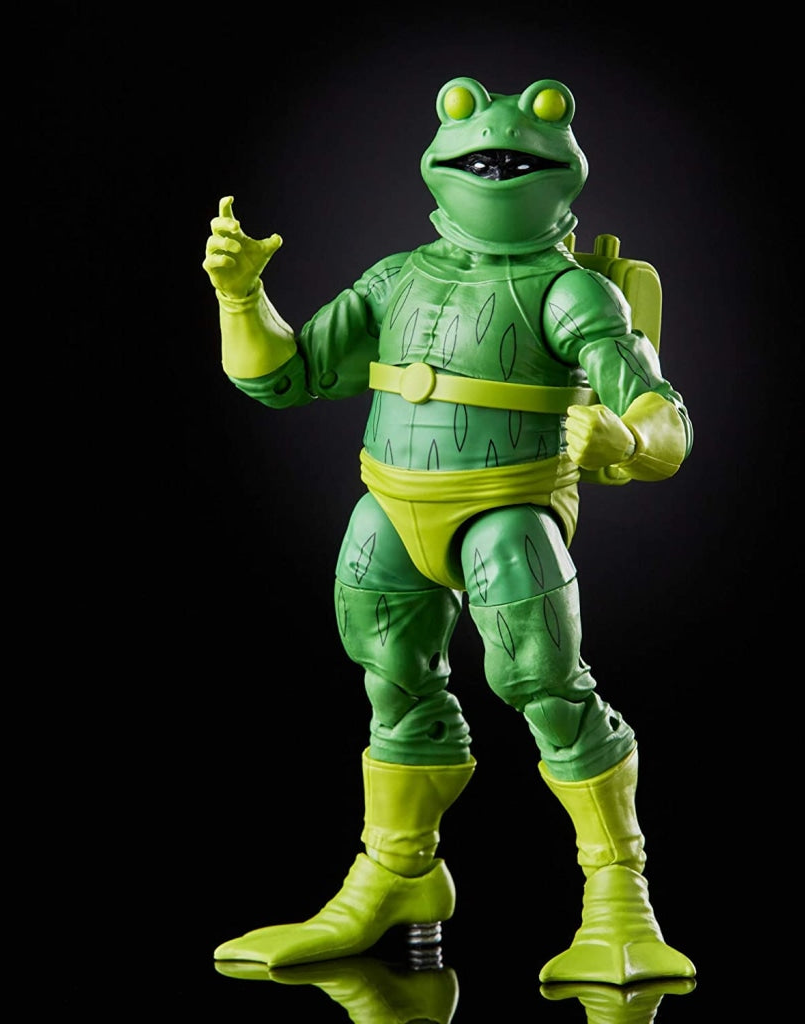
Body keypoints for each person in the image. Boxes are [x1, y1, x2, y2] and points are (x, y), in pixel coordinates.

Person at [206, 76, 695, 986]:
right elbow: (285, 375)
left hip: (508, 508)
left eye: (538, 124)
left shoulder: (573, 293)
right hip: (387, 507)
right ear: (436, 159)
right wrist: (241, 297)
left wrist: (626, 439)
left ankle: (618, 895)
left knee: (545, 683)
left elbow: (662, 412)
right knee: (393, 681)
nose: (495, 150)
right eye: (464, 119)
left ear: (567, 166)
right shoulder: (395, 278)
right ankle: (397, 875)